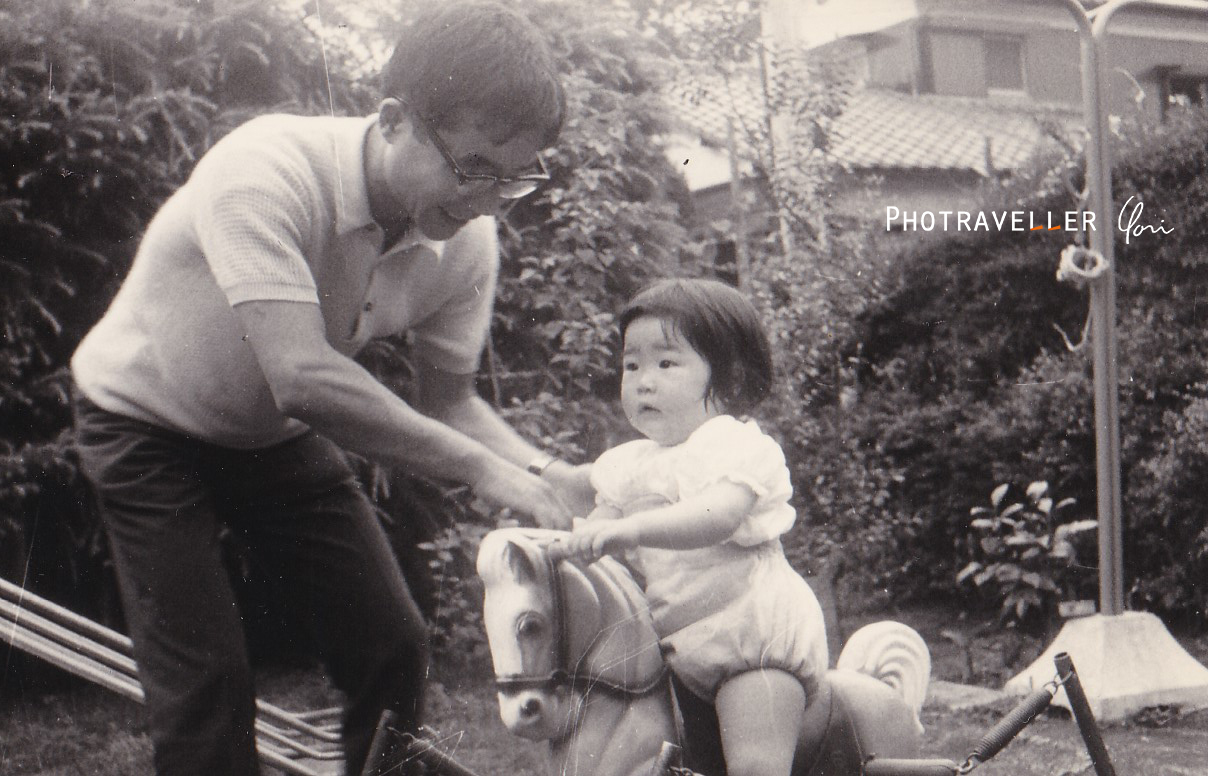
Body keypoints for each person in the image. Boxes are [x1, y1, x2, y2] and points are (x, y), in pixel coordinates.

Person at [70, 3, 585, 775]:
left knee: (391, 644)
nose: (489, 199)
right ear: (393, 120)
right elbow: (301, 377)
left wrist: (550, 474)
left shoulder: (467, 242)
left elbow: (453, 403)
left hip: (268, 440)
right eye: (476, 167)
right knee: (207, 683)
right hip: (144, 425)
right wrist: (486, 471)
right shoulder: (264, 170)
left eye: (516, 179)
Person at [563, 278, 829, 776]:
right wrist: (571, 546)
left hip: (753, 640)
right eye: (631, 365)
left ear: (730, 380)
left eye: (666, 363)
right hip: (678, 650)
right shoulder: (627, 464)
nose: (644, 380)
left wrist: (631, 529)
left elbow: (715, 516)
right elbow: (600, 525)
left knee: (753, 764)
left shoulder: (738, 446)